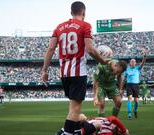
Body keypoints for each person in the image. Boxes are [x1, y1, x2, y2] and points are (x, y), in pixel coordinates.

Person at [41, 2, 107, 135]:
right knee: (75, 111)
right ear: (84, 13)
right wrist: (103, 61)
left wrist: (44, 70)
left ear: (71, 13)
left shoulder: (58, 27)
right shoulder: (86, 25)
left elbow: (50, 49)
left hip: (64, 74)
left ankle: (76, 129)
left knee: (74, 111)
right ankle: (65, 133)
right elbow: (90, 49)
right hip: (78, 73)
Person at [123, 48, 147, 120]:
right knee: (129, 98)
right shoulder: (127, 69)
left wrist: (144, 55)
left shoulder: (138, 68)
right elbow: (124, 78)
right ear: (130, 63)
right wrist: (121, 86)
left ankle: (135, 110)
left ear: (135, 63)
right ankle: (129, 114)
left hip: (136, 85)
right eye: (132, 61)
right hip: (129, 85)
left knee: (136, 101)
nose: (133, 62)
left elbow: (143, 62)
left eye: (134, 61)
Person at [57, 114, 130, 135]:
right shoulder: (111, 124)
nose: (120, 130)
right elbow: (113, 118)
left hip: (88, 127)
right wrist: (124, 130)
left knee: (96, 125)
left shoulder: (108, 131)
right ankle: (63, 131)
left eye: (120, 131)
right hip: (87, 124)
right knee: (82, 116)